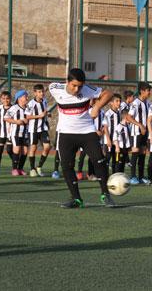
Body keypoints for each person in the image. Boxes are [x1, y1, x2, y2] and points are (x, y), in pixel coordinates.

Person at [49, 68, 114, 208]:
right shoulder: (54, 88)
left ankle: (105, 195)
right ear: (67, 82)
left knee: (100, 161)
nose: (77, 89)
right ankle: (76, 199)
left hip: (86, 131)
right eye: (74, 85)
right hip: (65, 133)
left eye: (80, 86)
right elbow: (55, 86)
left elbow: (109, 93)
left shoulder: (87, 89)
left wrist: (96, 106)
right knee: (66, 166)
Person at [125, 82, 150, 184]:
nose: (149, 93)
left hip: (145, 133)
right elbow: (128, 117)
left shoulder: (147, 103)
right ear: (142, 91)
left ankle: (141, 177)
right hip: (136, 132)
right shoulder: (136, 103)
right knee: (135, 153)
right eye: (148, 91)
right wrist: (140, 125)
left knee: (143, 154)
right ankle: (132, 177)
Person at [26, 84, 51, 177]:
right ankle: (32, 169)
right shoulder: (31, 104)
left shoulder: (45, 101)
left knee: (47, 147)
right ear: (35, 93)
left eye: (43, 91)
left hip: (43, 128)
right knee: (33, 148)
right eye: (39, 92)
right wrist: (39, 116)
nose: (42, 93)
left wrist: (48, 114)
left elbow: (45, 112)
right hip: (33, 130)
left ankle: (39, 166)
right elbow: (27, 116)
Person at [5, 90, 29, 176]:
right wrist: (16, 122)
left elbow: (30, 117)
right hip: (16, 132)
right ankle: (14, 169)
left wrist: (28, 120)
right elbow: (6, 118)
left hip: (25, 133)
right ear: (19, 98)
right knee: (17, 149)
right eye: (25, 96)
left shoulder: (28, 108)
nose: (27, 98)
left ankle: (20, 169)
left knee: (25, 151)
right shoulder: (14, 108)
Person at [0, 91, 13, 175]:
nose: (5, 100)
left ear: (10, 99)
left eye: (7, 98)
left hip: (10, 133)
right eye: (3, 98)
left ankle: (15, 165)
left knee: (9, 150)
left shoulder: (13, 108)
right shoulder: (0, 107)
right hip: (2, 133)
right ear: (1, 99)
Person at [104, 94, 122, 174]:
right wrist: (108, 139)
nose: (119, 103)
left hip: (117, 141)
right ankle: (105, 176)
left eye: (120, 101)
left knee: (116, 159)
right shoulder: (108, 114)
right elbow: (105, 127)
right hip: (109, 140)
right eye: (117, 101)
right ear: (111, 102)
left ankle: (115, 176)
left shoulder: (119, 113)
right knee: (107, 159)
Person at [114, 108, 132, 173]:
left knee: (123, 164)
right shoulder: (119, 127)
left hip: (125, 149)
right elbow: (115, 138)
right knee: (119, 163)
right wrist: (117, 146)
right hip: (120, 149)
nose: (131, 119)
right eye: (130, 117)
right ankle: (117, 177)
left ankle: (121, 176)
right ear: (126, 117)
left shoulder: (128, 126)